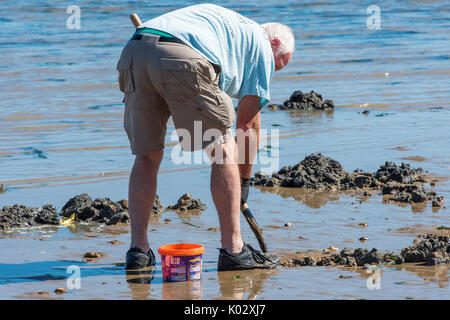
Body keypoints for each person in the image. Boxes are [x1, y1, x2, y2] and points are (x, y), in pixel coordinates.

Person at [116, 3, 294, 271]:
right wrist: (244, 183)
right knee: (223, 151)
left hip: (135, 50)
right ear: (275, 43)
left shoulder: (230, 29)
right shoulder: (260, 45)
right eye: (278, 66)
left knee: (147, 156)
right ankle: (234, 250)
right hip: (181, 55)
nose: (272, 73)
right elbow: (247, 125)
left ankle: (138, 252)